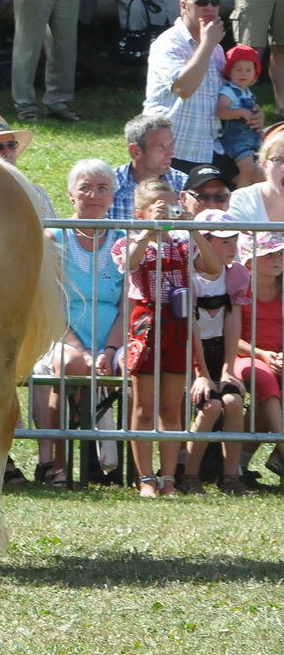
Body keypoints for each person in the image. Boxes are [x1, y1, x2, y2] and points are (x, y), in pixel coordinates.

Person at [36, 159, 127, 487]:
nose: (94, 195)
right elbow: (52, 306)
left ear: (113, 195)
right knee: (72, 363)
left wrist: (111, 348)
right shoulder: (54, 238)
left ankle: (126, 468)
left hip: (111, 343)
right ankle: (58, 466)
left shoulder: (123, 239)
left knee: (133, 360)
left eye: (102, 188)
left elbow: (126, 305)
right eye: (85, 187)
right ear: (70, 194)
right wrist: (84, 351)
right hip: (60, 338)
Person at [119, 177, 210, 498]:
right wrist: (148, 231)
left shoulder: (184, 242)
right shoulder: (132, 238)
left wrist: (192, 226)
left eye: (171, 206)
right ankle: (145, 479)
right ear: (141, 213)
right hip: (145, 324)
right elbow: (128, 264)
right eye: (159, 208)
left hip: (178, 325)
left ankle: (168, 479)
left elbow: (212, 267)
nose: (166, 213)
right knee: (143, 408)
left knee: (171, 410)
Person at [180, 209, 250, 495]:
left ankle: (231, 477)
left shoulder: (236, 274)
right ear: (203, 242)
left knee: (233, 402)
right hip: (188, 353)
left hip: (220, 351)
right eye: (224, 242)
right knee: (212, 406)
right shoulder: (186, 274)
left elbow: (233, 321)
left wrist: (227, 369)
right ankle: (189, 476)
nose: (233, 248)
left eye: (234, 240)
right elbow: (190, 326)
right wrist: (202, 373)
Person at [142, 0, 230, 171]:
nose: (209, 8)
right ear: (183, 6)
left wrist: (251, 111)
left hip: (209, 149)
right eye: (201, 2)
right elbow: (184, 88)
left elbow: (225, 95)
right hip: (172, 153)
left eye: (215, 2)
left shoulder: (215, 48)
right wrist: (207, 44)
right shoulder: (168, 44)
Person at [232, 230, 284, 489]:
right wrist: (262, 354)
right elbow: (231, 338)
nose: (277, 259)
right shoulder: (242, 290)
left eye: (281, 254)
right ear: (250, 261)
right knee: (266, 382)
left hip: (277, 356)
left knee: (274, 390)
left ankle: (242, 464)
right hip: (244, 355)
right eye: (269, 254)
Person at [110, 114, 188, 221]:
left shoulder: (184, 185)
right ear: (136, 151)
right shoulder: (108, 185)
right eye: (161, 146)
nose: (171, 154)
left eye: (171, 145)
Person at [219, 44, 265, 186]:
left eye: (248, 70)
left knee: (264, 167)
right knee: (248, 169)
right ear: (229, 72)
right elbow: (221, 111)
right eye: (238, 70)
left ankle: (258, 199)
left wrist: (256, 110)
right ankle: (240, 200)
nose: (243, 74)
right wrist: (240, 112)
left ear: (254, 73)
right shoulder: (228, 91)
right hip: (236, 139)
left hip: (252, 137)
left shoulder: (247, 92)